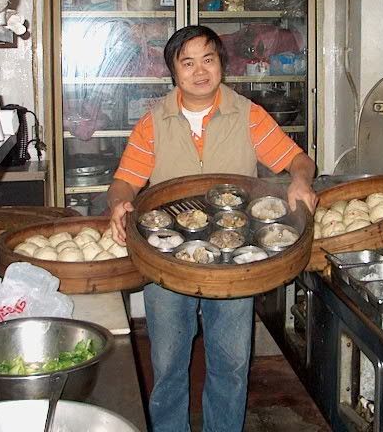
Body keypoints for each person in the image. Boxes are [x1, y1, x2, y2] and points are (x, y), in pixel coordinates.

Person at [108, 25, 317, 432]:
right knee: (167, 363)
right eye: (188, 62)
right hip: (167, 258)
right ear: (173, 71)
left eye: (208, 59)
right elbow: (125, 180)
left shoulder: (248, 114)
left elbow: (297, 159)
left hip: (233, 260)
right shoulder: (154, 121)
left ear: (222, 63)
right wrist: (118, 203)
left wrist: (301, 179)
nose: (199, 71)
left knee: (231, 362)